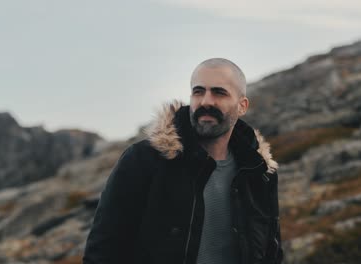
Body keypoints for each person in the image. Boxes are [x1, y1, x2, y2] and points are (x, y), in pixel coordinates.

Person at [82, 58, 284, 264]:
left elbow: (272, 253)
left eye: (219, 92)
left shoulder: (259, 172)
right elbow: (102, 251)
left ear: (242, 106)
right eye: (198, 91)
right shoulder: (144, 160)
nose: (206, 101)